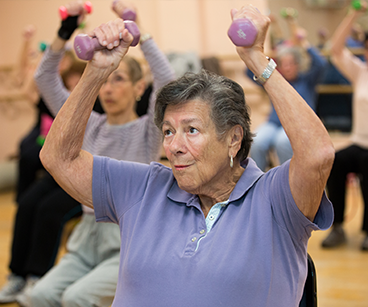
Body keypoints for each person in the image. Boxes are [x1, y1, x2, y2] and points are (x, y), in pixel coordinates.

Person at [38, 5, 335, 306]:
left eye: (191, 130)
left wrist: (256, 59)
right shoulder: (146, 187)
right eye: (168, 131)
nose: (173, 146)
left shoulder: (274, 199)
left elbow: (317, 155)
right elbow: (58, 159)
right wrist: (97, 72)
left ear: (234, 139)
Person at [29, 1, 175, 307]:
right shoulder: (89, 126)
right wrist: (65, 29)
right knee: (40, 296)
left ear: (138, 88)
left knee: (76, 298)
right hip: (86, 240)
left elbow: (167, 81)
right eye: (105, 80)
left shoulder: (148, 128)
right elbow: (44, 78)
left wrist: (136, 24)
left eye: (118, 79)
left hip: (125, 242)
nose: (108, 88)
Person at [0, 33, 88, 307]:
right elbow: (34, 83)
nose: (73, 83)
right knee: (26, 203)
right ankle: (17, 274)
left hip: (82, 179)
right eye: (70, 79)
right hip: (57, 175)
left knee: (49, 210)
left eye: (77, 77)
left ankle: (38, 275)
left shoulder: (95, 103)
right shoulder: (57, 100)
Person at [247, 13, 327, 171]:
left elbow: (321, 64)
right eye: (284, 64)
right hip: (274, 124)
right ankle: (257, 182)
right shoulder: (274, 79)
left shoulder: (307, 80)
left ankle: (289, 182)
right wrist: (263, 52)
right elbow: (249, 71)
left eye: (291, 63)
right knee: (255, 141)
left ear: (298, 64)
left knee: (282, 142)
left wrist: (304, 43)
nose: (288, 67)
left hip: (299, 125)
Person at [321, 1, 368, 251]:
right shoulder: (360, 72)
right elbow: (335, 48)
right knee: (336, 161)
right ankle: (337, 226)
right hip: (359, 141)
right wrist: (353, 14)